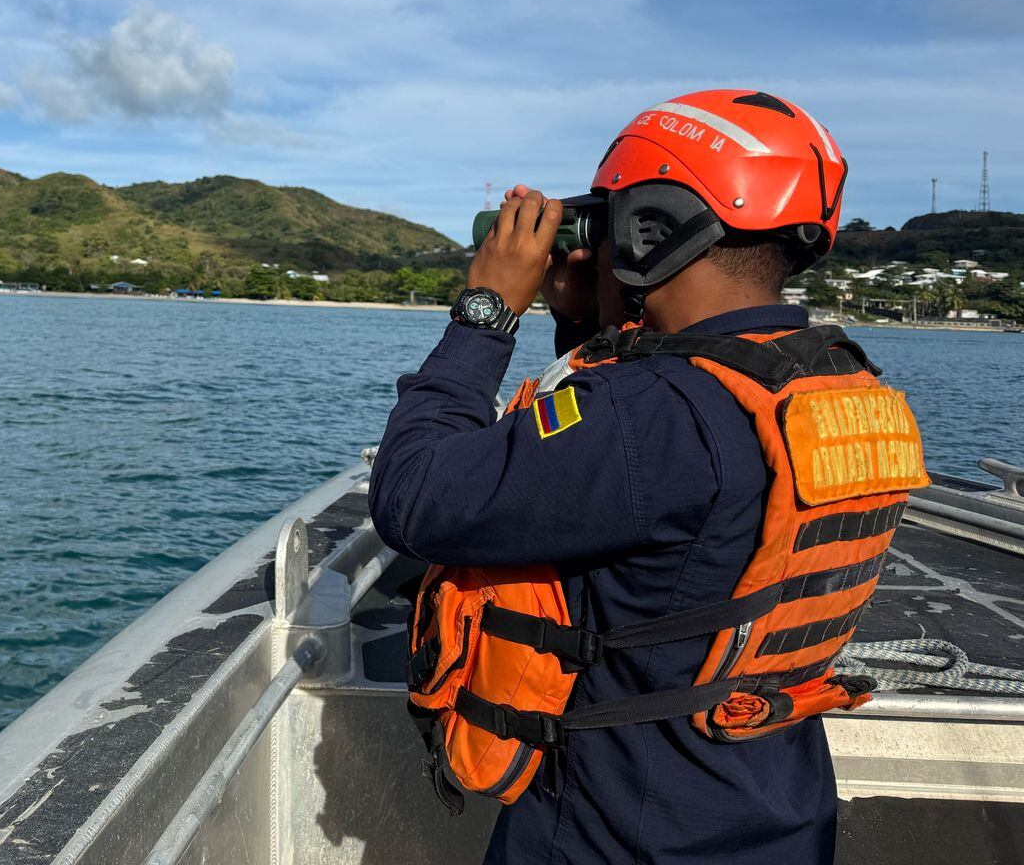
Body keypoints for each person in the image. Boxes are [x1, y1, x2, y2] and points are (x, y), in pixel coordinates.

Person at [369, 90, 876, 864]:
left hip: (619, 834)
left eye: (607, 223)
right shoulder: (831, 386)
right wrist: (585, 323)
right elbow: (652, 510)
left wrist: (485, 311)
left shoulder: (650, 416)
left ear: (650, 232)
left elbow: (414, 498)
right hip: (772, 812)